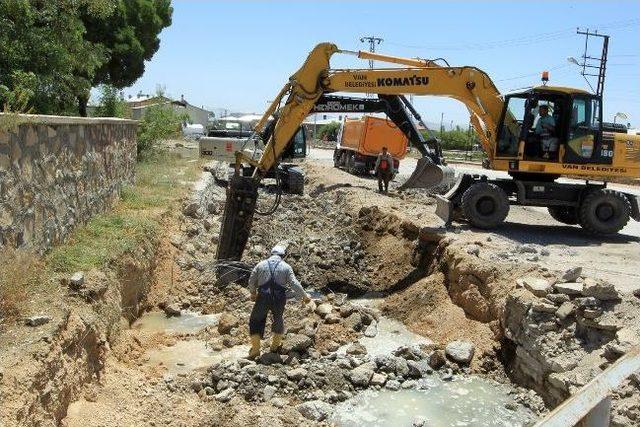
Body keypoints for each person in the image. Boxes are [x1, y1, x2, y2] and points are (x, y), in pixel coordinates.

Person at [247, 244, 311, 359]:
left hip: (263, 296)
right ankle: (274, 347)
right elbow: (294, 283)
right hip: (279, 297)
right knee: (278, 319)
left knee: (255, 320)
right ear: (283, 256)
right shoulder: (286, 267)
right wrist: (304, 296)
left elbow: (251, 280)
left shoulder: (260, 265)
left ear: (271, 254)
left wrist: (253, 293)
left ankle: (256, 349)